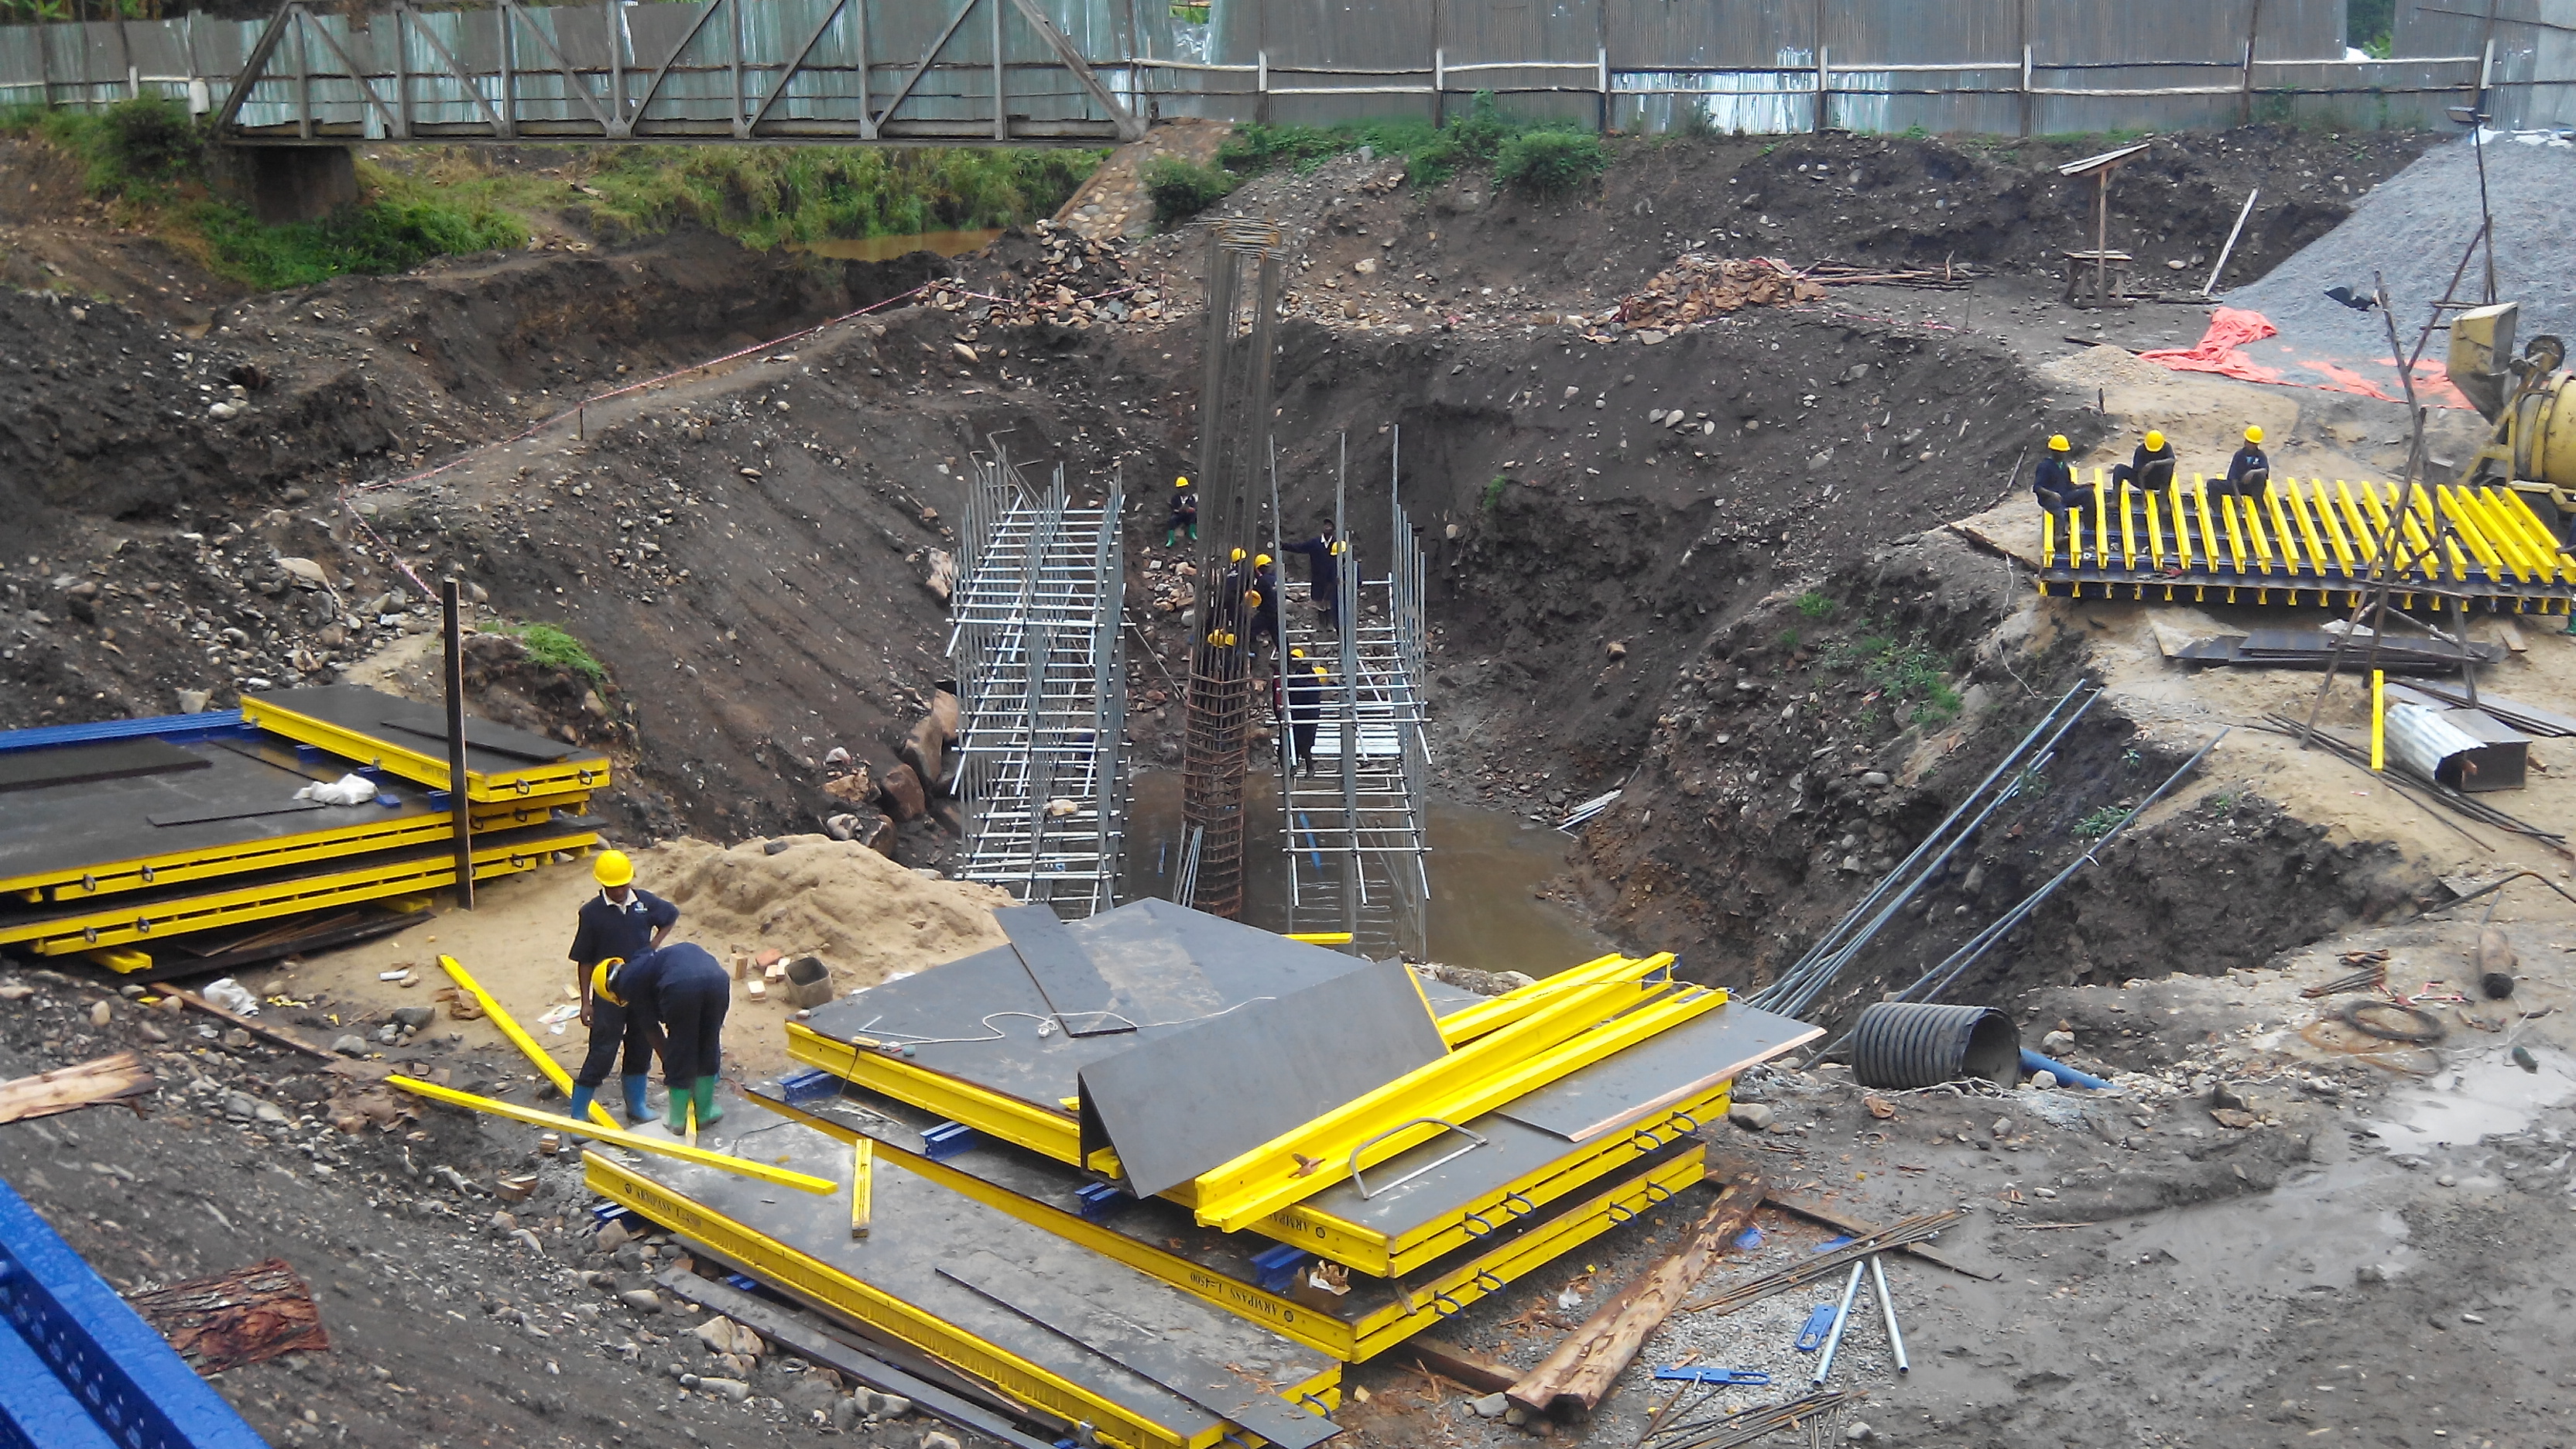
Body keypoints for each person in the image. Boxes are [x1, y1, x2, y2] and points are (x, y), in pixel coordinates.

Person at [566, 850, 677, 1128]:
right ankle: (579, 1115)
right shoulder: (591, 914)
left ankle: (636, 1106)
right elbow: (585, 960)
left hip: (640, 991)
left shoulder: (644, 903)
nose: (618, 891)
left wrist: (652, 947)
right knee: (603, 1051)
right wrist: (586, 1002)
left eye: (623, 885)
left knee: (641, 1046)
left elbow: (670, 916)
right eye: (612, 886)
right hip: (608, 995)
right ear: (602, 884)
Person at [602, 942, 733, 1132]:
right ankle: (705, 1113)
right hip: (718, 980)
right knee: (709, 1043)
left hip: (681, 986)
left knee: (681, 1047)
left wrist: (672, 1063)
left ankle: (677, 1119)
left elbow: (652, 1030)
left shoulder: (628, 982)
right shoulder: (644, 962)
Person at [1283, 523, 1345, 630]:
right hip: (1318, 577)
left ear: (1334, 530)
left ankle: (1331, 624)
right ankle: (1322, 624)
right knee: (1319, 600)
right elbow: (1300, 547)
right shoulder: (1315, 543)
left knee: (1331, 600)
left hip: (1332, 577)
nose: (1327, 528)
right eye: (1325, 526)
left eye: (1330, 526)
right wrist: (1284, 546)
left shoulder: (1337, 544)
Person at [1285, 662, 1327, 778]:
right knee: (1296, 743)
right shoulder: (1311, 685)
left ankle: (1308, 767)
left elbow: (1297, 686)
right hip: (1299, 716)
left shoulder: (1313, 688)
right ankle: (1296, 765)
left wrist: (1290, 675)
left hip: (1307, 719)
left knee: (1304, 745)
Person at [2030, 434, 2087, 519]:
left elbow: (2069, 485)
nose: (2063, 455)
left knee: (2088, 494)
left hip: (2064, 496)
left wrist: (2083, 486)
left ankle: (2090, 527)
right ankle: (2059, 532)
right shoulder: (2044, 466)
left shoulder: (2064, 466)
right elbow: (2037, 487)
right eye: (2060, 452)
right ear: (2053, 451)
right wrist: (2052, 494)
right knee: (2060, 513)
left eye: (2064, 452)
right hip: (2049, 501)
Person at [2213, 425, 2270, 500]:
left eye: (2253, 443)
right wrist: (2237, 494)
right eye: (2249, 442)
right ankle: (2217, 510)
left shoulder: (2261, 456)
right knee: (2212, 483)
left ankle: (2258, 504)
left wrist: (2252, 472)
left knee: (2260, 476)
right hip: (2239, 487)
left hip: (2253, 489)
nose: (2250, 445)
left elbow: (2265, 470)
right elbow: (2233, 477)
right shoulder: (2239, 455)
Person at [2109, 430, 2177, 492]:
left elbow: (2172, 460)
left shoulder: (2167, 447)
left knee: (2168, 468)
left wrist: (2154, 463)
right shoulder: (2140, 450)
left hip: (2159, 482)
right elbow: (2138, 472)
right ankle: (2115, 500)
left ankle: (2163, 500)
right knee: (2119, 469)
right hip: (2144, 481)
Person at [1165, 476, 1197, 547]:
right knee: (1172, 519)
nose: (1182, 489)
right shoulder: (1175, 498)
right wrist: (1179, 510)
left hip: (1188, 516)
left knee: (1194, 515)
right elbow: (1173, 509)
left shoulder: (1191, 498)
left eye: (1184, 487)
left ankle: (1192, 533)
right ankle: (1171, 539)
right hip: (1179, 516)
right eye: (1181, 488)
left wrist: (1190, 509)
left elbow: (1194, 507)